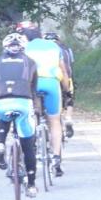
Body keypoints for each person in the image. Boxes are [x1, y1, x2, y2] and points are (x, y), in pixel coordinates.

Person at [0, 32, 39, 198]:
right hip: (23, 101)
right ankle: (31, 184)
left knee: (4, 117)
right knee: (28, 143)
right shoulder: (30, 62)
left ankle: (1, 144)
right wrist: (37, 111)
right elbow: (33, 89)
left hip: (0, 100)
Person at [22, 21, 70, 177]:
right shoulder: (54, 47)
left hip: (32, 84)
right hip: (51, 82)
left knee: (31, 115)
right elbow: (63, 70)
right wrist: (67, 89)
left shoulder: (25, 48)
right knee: (55, 121)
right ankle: (56, 159)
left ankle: (33, 140)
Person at [45, 31, 75, 138]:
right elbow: (70, 64)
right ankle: (68, 117)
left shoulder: (44, 50)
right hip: (66, 76)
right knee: (69, 95)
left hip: (50, 78)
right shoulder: (66, 49)